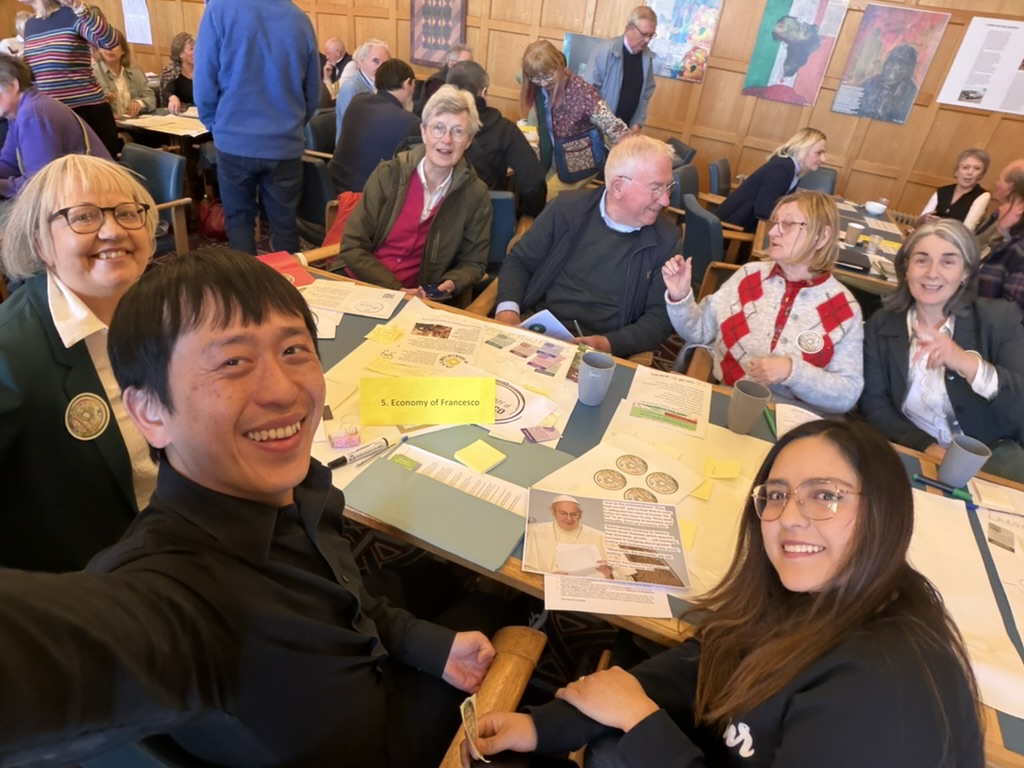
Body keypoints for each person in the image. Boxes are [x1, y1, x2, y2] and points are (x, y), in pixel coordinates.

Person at [0, 249, 495, 768]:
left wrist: (423, 644)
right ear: (149, 411)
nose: (284, 391)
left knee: (466, 595)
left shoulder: (302, 488)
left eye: (294, 351)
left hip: (383, 673)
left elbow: (347, 600)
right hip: (392, 747)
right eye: (233, 362)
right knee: (507, 617)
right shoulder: (173, 594)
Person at [465, 420, 983, 767]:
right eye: (776, 495)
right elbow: (712, 655)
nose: (790, 518)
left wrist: (640, 722)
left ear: (886, 512)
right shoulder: (820, 592)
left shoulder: (881, 698)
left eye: (826, 496)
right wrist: (549, 725)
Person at [0, 155, 157, 573]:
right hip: (89, 593)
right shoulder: (9, 355)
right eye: (83, 217)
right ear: (41, 245)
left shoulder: (163, 310)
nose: (113, 230)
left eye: (127, 213)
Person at [663, 190, 863, 414]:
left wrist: (792, 372)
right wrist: (680, 296)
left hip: (796, 422)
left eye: (787, 224)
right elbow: (699, 331)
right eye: (775, 222)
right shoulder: (748, 277)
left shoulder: (843, 309)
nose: (774, 232)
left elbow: (847, 394)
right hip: (731, 402)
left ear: (822, 237)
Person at [860, 219, 1024, 482]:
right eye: (922, 260)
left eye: (948, 262)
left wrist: (964, 363)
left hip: (989, 468)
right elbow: (874, 403)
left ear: (966, 273)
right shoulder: (882, 323)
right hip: (914, 454)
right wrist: (926, 446)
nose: (932, 273)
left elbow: (1019, 404)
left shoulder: (999, 319)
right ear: (906, 269)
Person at [495, 135, 677, 358]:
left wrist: (609, 344)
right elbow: (519, 262)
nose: (665, 200)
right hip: (536, 332)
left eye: (668, 187)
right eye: (656, 188)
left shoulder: (667, 240)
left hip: (602, 355)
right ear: (618, 187)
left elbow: (659, 318)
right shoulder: (566, 210)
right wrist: (507, 310)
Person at [338, 85, 490, 299]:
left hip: (418, 300)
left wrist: (454, 281)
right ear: (424, 132)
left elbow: (473, 263)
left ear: (468, 141)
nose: (446, 139)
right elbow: (352, 245)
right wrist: (393, 288)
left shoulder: (475, 194)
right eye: (438, 127)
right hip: (362, 284)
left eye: (457, 131)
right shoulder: (388, 174)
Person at [194, 0, 320, 255]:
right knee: (285, 227)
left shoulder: (219, 10)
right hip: (285, 142)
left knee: (239, 222)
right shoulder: (299, 18)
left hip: (234, 139)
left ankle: (245, 291)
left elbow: (204, 76)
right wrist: (293, 124)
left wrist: (215, 124)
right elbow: (313, 93)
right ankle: (288, 289)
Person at [520, 39, 629, 197]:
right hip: (558, 158)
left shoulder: (581, 92)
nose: (543, 83)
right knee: (535, 188)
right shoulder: (539, 86)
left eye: (548, 76)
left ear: (560, 66)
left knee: (547, 196)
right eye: (536, 78)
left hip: (581, 161)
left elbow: (614, 127)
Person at [0, 54, 112, 200]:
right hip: (78, 195)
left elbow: (40, 185)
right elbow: (8, 165)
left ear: (12, 86)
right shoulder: (20, 112)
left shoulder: (32, 113)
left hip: (97, 198)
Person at [446, 60, 547, 218]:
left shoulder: (431, 124)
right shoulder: (505, 130)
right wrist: (525, 215)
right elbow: (534, 182)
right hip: (486, 218)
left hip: (438, 217)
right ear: (484, 92)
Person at [21, 0, 119, 157]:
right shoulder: (30, 25)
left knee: (101, 174)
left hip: (87, 112)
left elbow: (110, 41)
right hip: (51, 115)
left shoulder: (72, 14)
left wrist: (79, 7)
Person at [329, 58, 418, 194]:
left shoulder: (357, 101)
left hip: (331, 188)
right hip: (367, 201)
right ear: (407, 83)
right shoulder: (410, 122)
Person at [715, 127, 827, 233]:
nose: (823, 159)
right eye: (818, 153)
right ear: (802, 150)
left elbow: (781, 204)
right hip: (733, 231)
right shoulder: (781, 168)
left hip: (749, 225)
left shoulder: (792, 168)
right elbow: (763, 211)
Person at [584, 6, 658, 134]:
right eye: (644, 34)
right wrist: (611, 128)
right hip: (599, 131)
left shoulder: (647, 58)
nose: (647, 40)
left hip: (627, 132)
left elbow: (645, 95)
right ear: (629, 29)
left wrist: (637, 123)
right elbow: (588, 93)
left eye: (651, 35)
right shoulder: (606, 50)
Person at [523, 495, 628, 581]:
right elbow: (523, 571)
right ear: (552, 511)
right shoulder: (534, 532)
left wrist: (610, 575)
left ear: (581, 514)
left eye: (574, 514)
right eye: (563, 513)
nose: (569, 519)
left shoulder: (601, 537)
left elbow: (629, 580)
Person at [977, 169, 1024, 316]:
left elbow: (1010, 315)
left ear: (1020, 208)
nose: (1001, 208)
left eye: (1008, 202)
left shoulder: (1019, 251)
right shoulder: (1008, 243)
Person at [916, 148, 990, 231]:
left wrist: (942, 224)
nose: (970, 173)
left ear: (982, 174)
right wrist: (924, 219)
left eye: (976, 169)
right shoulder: (942, 191)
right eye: (965, 167)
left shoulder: (982, 196)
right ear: (956, 171)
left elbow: (967, 230)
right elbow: (918, 222)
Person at [91, 27, 155, 118]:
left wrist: (139, 103)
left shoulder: (135, 71)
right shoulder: (92, 73)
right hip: (109, 125)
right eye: (104, 44)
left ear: (123, 50)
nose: (109, 49)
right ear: (99, 50)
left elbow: (151, 98)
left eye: (114, 45)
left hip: (134, 123)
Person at [334, 37, 390, 138]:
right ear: (362, 62)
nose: (381, 67)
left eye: (384, 64)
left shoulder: (382, 84)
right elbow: (354, 127)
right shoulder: (351, 88)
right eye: (376, 61)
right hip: (353, 147)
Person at [858, 44, 918, 124]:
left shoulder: (912, 93)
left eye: (899, 64)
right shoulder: (871, 83)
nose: (890, 67)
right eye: (890, 61)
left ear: (908, 70)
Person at [415, 43, 473, 115]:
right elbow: (443, 110)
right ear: (452, 63)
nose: (470, 68)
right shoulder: (436, 82)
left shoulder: (464, 79)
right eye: (467, 64)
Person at [160, 31, 193, 114]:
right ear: (180, 54)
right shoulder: (171, 70)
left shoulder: (204, 69)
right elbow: (166, 91)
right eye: (191, 49)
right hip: (180, 113)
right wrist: (172, 97)